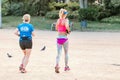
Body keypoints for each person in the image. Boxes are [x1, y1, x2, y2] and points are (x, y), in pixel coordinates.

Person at [55, 8, 71, 73]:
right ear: (65, 14)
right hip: (64, 38)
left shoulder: (58, 20)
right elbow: (67, 26)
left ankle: (57, 65)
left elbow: (56, 28)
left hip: (59, 38)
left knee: (58, 53)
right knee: (66, 53)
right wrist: (69, 31)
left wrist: (60, 29)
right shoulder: (66, 20)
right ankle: (66, 67)